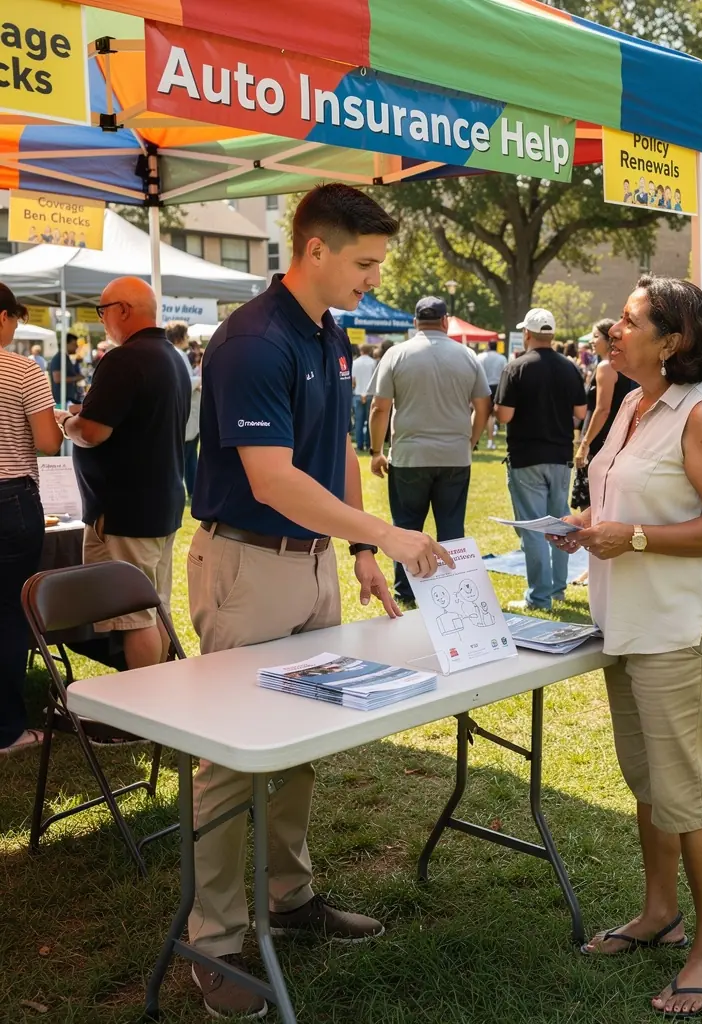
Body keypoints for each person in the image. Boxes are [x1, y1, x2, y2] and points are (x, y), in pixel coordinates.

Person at [187, 184, 452, 1018]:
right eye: (365, 263)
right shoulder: (253, 342)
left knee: (303, 736)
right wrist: (390, 530)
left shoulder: (329, 333)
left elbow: (332, 445)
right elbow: (273, 480)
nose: (374, 279)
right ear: (314, 251)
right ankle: (214, 939)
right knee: (233, 757)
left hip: (308, 567)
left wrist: (363, 552)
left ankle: (290, 895)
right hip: (247, 563)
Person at [552, 274, 702, 1018]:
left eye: (630, 321)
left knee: (687, 794)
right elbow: (633, 500)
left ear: (671, 341)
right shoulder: (636, 405)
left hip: (682, 631)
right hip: (629, 626)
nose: (613, 329)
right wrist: (593, 519)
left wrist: (630, 535)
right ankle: (659, 913)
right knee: (649, 784)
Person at [58, 278, 190, 671]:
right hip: (160, 501)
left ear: (124, 311)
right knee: (155, 607)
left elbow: (93, 432)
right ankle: (157, 698)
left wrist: (67, 422)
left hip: (125, 510)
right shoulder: (171, 356)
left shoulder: (123, 359)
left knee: (136, 616)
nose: (102, 322)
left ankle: (142, 705)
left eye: (102, 312)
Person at [368, 295, 491, 606]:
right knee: (452, 527)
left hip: (409, 456)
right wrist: (471, 441)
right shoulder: (466, 355)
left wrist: (375, 451)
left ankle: (407, 591)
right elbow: (482, 405)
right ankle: (453, 587)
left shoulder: (396, 354)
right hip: (454, 455)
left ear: (414, 322)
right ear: (445, 321)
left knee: (406, 527)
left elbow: (379, 408)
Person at [0, 284, 64, 756]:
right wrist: (58, 421)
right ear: (4, 317)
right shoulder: (24, 369)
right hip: (11, 500)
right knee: (8, 615)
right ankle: (7, 729)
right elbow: (47, 442)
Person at [494, 307, 586, 611]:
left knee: (534, 528)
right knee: (561, 523)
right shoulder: (570, 368)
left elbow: (504, 415)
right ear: (553, 335)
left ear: (528, 334)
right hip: (560, 455)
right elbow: (580, 413)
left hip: (526, 456)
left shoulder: (516, 367)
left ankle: (539, 597)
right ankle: (557, 590)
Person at [572, 318, 638, 511]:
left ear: (609, 339)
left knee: (591, 504)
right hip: (615, 438)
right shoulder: (623, 366)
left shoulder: (606, 367)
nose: (592, 341)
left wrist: (584, 445)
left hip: (600, 440)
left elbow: (602, 409)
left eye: (595, 336)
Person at [167, 321, 203, 498]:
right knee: (185, 457)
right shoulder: (176, 354)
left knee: (189, 457)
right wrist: (199, 380)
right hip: (186, 414)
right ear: (180, 336)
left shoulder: (175, 353)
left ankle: (192, 489)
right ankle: (184, 490)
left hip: (188, 414)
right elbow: (184, 383)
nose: (188, 339)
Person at [477, 339, 508, 449]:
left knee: (483, 413)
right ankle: (491, 438)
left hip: (483, 386)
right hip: (497, 386)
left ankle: (483, 437)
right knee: (492, 414)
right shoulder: (502, 358)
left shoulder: (480, 357)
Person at [350, 343, 376, 451]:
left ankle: (359, 445)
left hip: (357, 394)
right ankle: (369, 444)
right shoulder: (373, 363)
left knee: (358, 421)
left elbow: (353, 380)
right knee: (370, 421)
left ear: (360, 351)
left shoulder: (355, 363)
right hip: (370, 394)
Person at [49, 332, 84, 406]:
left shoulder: (65, 358)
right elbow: (57, 379)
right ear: (66, 344)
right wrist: (76, 378)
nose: (76, 347)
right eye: (74, 344)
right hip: (61, 401)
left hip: (67, 400)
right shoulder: (59, 358)